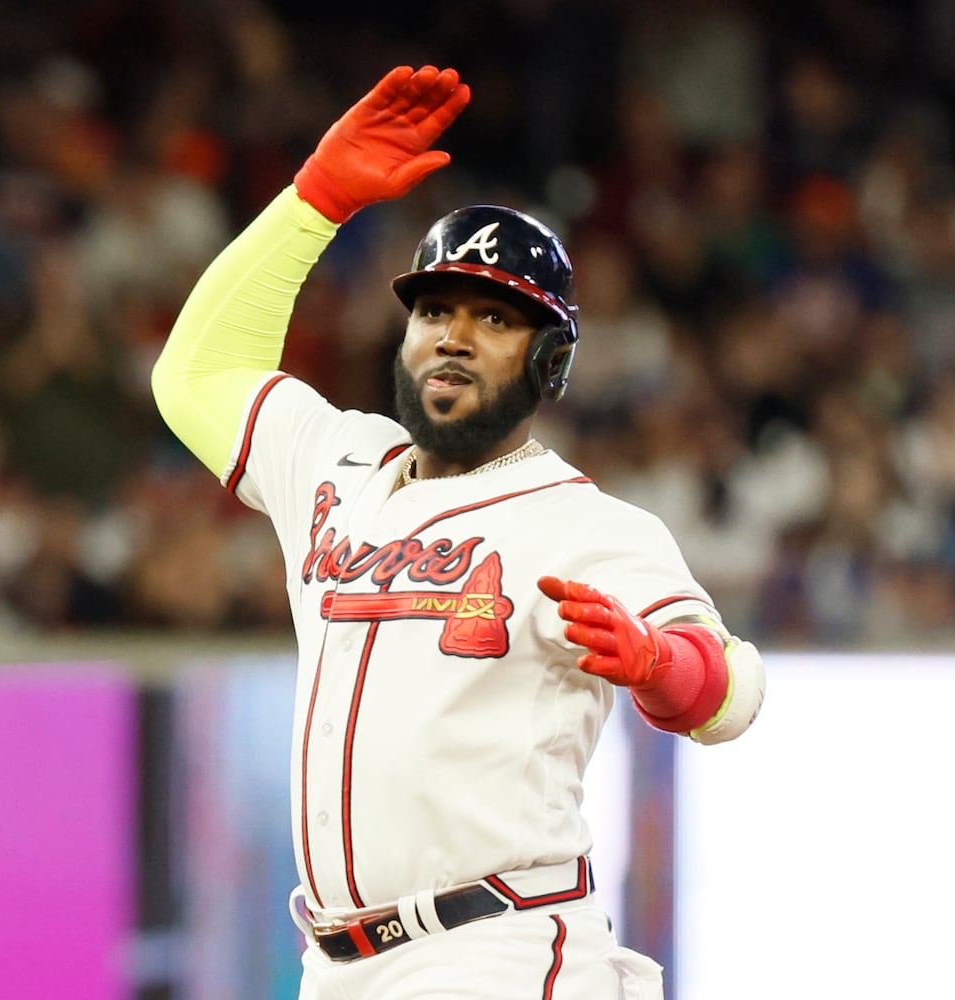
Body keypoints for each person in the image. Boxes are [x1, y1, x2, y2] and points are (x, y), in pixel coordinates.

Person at [152, 65, 765, 1000]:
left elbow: (734, 697)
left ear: (549, 362)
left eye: (494, 319)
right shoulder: (335, 461)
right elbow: (193, 375)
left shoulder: (585, 525)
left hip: (499, 949)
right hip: (337, 963)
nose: (453, 335)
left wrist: (660, 664)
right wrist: (312, 203)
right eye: (436, 310)